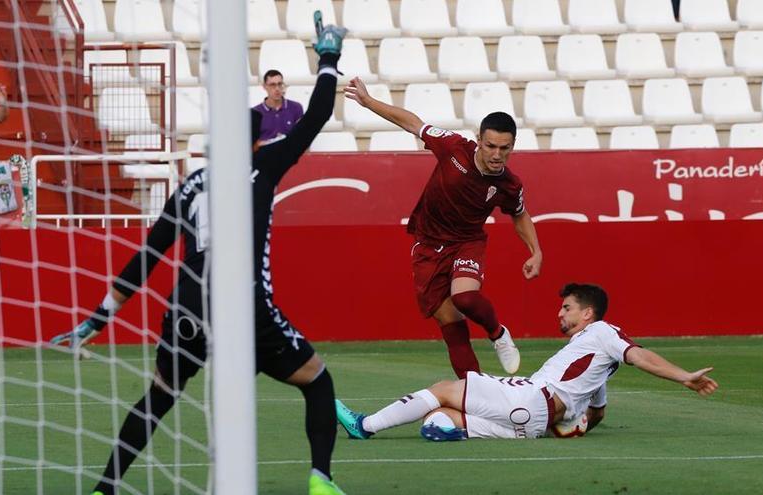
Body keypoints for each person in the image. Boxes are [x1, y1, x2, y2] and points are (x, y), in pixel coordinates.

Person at [50, 13, 349, 495]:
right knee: (316, 379)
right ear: (253, 140)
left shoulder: (189, 186)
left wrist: (97, 319)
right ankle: (321, 480)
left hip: (186, 303)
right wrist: (329, 58)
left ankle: (105, 487)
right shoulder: (263, 166)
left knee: (160, 396)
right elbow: (314, 118)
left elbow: (148, 257)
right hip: (243, 302)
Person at [334, 283, 719, 442]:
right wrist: (572, 426)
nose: (560, 314)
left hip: (533, 399)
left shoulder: (602, 332)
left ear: (588, 313)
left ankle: (364, 427)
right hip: (534, 423)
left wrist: (683, 376)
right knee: (439, 417)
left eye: (567, 308)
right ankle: (446, 429)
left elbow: (639, 355)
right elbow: (595, 413)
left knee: (443, 389)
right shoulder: (592, 360)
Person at [344, 78, 543, 378]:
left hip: (467, 241)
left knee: (464, 297)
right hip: (427, 244)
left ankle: (498, 333)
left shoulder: (509, 184)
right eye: (490, 146)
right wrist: (369, 101)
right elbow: (413, 124)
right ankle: (475, 395)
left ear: (512, 146)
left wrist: (536, 251)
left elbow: (519, 214)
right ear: (479, 139)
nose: (496, 155)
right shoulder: (453, 148)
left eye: (505, 148)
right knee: (451, 325)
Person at [252, 69, 303, 145]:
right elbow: (252, 144)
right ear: (264, 86)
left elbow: (302, 136)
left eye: (280, 84)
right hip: (266, 154)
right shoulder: (256, 112)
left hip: (290, 153)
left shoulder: (296, 108)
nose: (277, 88)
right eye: (272, 85)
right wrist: (270, 143)